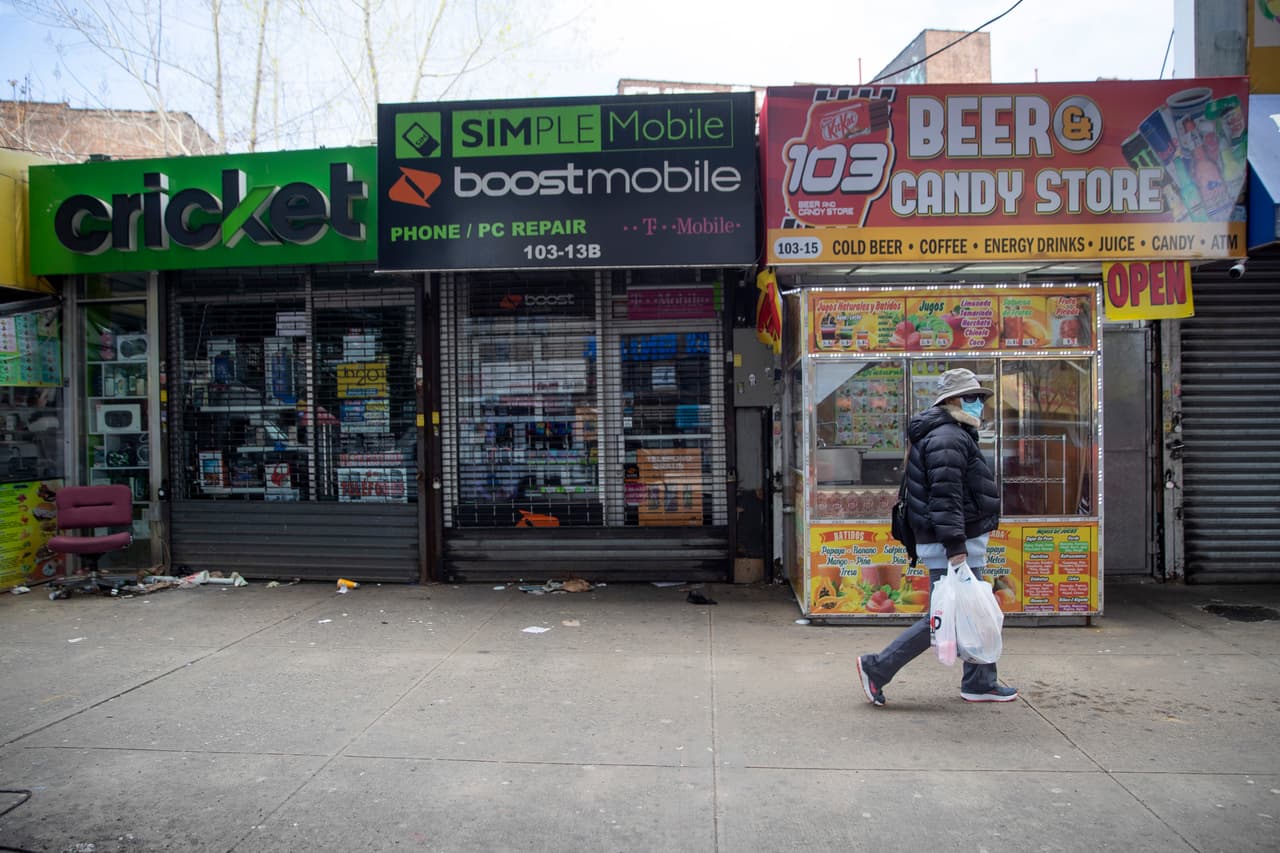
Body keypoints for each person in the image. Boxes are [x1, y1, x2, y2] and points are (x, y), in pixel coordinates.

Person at [855, 368, 1016, 706]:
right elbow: (946, 497)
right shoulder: (948, 438)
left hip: (955, 542)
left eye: (980, 398)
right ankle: (877, 667)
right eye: (971, 398)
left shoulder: (951, 433)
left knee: (973, 612)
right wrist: (956, 548)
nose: (978, 405)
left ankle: (980, 681)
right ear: (952, 401)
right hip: (953, 545)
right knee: (942, 618)